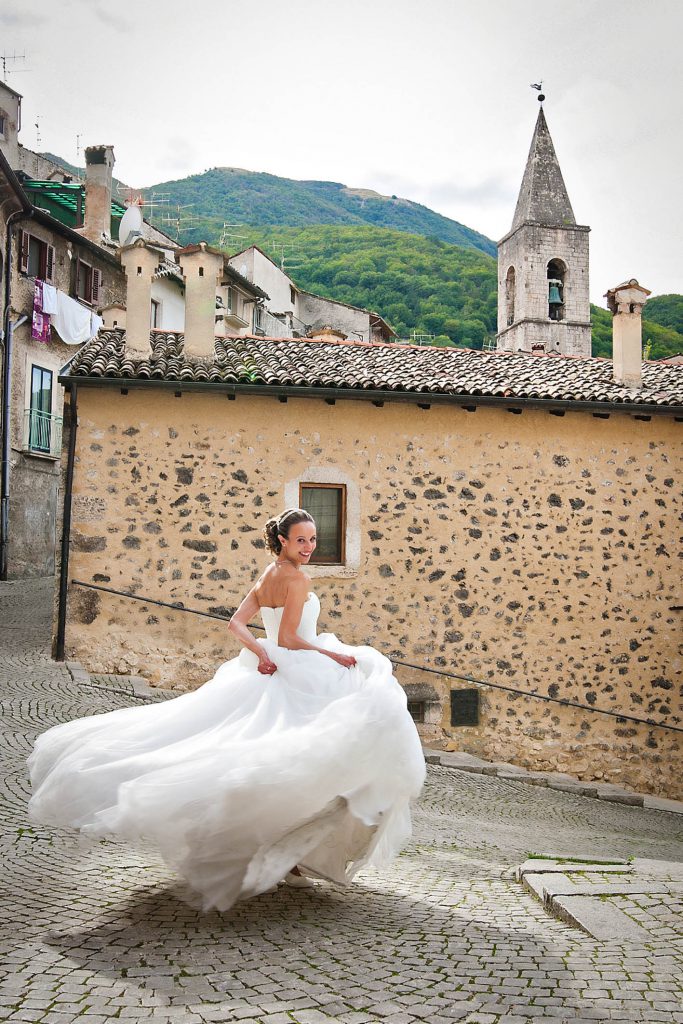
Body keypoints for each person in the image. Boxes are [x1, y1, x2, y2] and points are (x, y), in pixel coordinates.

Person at [28, 508, 426, 912]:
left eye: (312, 540)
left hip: (268, 668)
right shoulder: (296, 578)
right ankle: (287, 855)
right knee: (331, 748)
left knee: (275, 760)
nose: (309, 547)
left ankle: (287, 857)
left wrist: (259, 653)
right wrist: (331, 655)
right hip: (299, 669)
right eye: (301, 540)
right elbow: (289, 638)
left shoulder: (268, 575)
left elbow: (237, 624)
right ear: (283, 541)